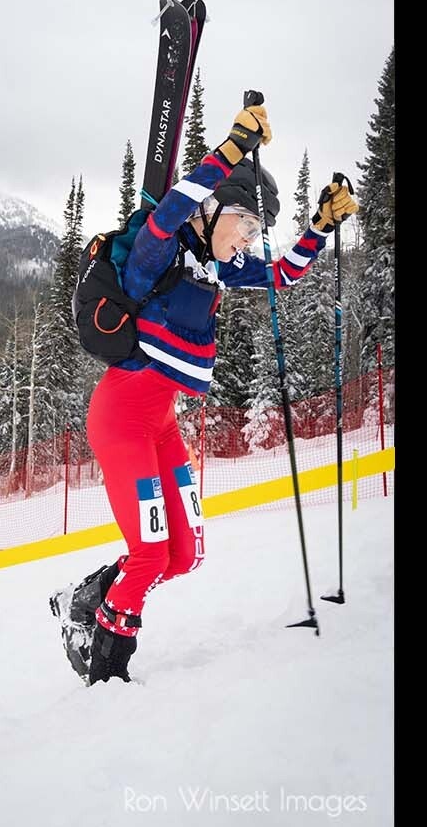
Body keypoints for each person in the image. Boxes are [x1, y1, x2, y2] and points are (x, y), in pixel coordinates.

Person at [50, 102, 359, 684]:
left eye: (254, 231)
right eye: (244, 225)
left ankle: (84, 598)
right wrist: (230, 151)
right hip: (121, 415)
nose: (248, 240)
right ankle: (106, 671)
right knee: (148, 553)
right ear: (213, 209)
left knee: (182, 554)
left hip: (159, 421)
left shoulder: (218, 267)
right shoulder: (156, 253)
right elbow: (169, 215)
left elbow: (283, 274)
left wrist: (318, 227)